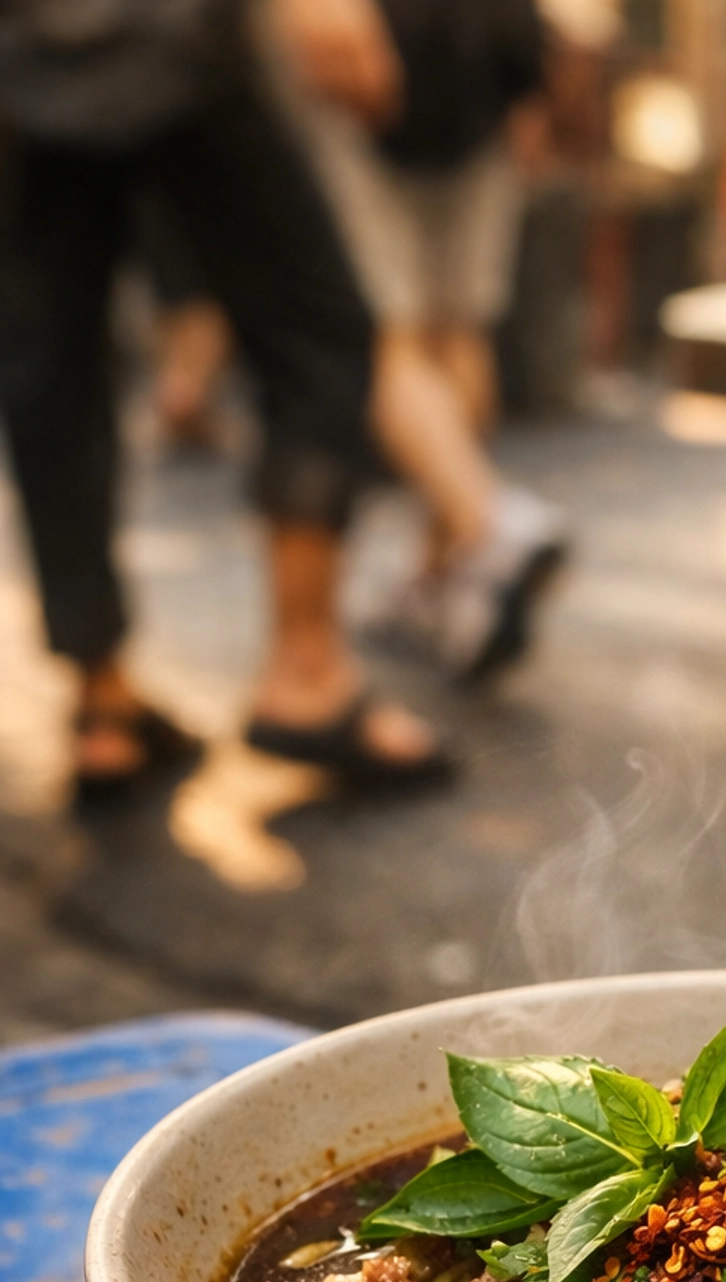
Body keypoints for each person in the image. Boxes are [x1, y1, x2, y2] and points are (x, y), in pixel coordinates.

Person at [0, 0, 448, 797]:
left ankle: (100, 701)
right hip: (168, 38)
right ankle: (308, 673)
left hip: (24, 61)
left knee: (52, 367)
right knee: (319, 331)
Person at [280, 0, 569, 678]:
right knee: (458, 330)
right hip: (485, 75)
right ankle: (442, 581)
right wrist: (530, 85)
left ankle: (487, 526)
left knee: (380, 336)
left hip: (369, 60)